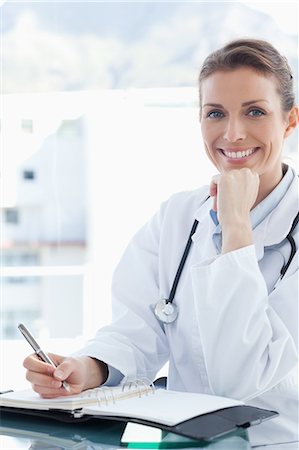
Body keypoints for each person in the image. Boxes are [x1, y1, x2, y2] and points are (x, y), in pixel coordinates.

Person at [23, 38, 299, 446]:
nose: (233, 133)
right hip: (182, 441)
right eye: (215, 113)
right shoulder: (177, 217)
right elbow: (136, 330)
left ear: (290, 120)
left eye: (255, 112)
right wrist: (89, 367)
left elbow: (241, 380)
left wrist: (236, 229)